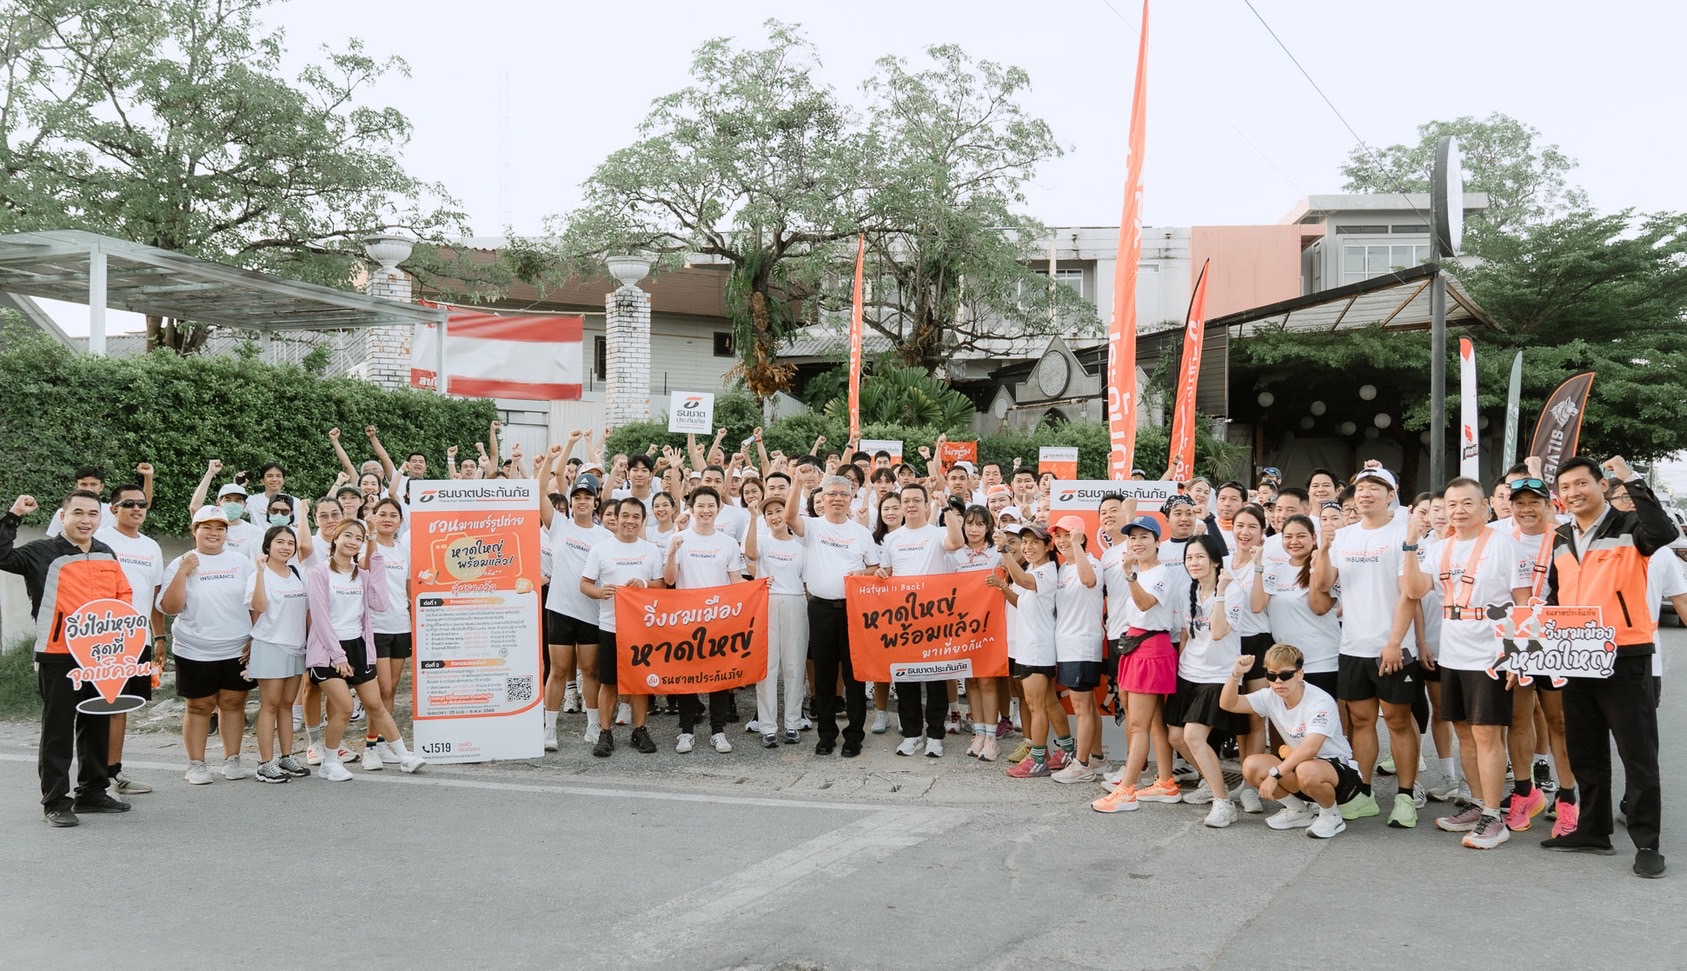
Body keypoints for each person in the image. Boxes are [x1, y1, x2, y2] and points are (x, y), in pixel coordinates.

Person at [1542, 456, 1673, 878]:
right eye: (1565, 487)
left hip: (1626, 654)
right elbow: (1554, 596)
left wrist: (1631, 479)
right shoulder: (1561, 535)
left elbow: (1663, 531)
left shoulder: (1629, 526)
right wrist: (1535, 642)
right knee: (1586, 750)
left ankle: (1647, 842)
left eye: (1582, 483)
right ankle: (1593, 830)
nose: (1573, 492)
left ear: (1601, 485)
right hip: (1576, 655)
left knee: (1638, 754)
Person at [1400, 478, 1532, 848]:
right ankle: (1477, 803)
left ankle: (1494, 816)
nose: (1458, 510)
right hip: (1453, 652)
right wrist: (1411, 542)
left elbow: (1524, 603)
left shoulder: (1505, 545)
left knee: (1488, 734)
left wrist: (1519, 658)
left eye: (1467, 503)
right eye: (1452, 504)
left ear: (1485, 507)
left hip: (1490, 654)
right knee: (1464, 733)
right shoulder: (1440, 548)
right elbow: (1413, 589)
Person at [0, 490, 134, 826]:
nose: (85, 520)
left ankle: (92, 791)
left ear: (100, 518)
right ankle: (56, 801)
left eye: (92, 513)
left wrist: (125, 643)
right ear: (63, 516)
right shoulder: (40, 552)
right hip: (57, 654)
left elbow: (122, 595)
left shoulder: (106, 552)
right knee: (58, 727)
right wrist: (13, 516)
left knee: (97, 721)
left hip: (100, 656)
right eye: (78, 513)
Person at [1314, 466, 1420, 826]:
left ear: (1391, 495)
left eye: (1376, 487)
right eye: (1361, 487)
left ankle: (1406, 796)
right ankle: (1364, 792)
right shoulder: (1345, 537)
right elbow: (1326, 585)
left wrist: (1394, 643)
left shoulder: (1402, 533)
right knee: (1360, 721)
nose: (1366, 493)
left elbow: (1409, 594)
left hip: (1392, 648)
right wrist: (1325, 548)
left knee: (1397, 720)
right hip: (1353, 645)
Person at [302, 518, 425, 779]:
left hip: (359, 646)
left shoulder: (363, 575)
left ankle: (404, 756)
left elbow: (380, 603)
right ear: (335, 538)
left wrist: (374, 552)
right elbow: (321, 618)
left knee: (375, 704)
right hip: (327, 650)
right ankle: (330, 762)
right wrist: (338, 655)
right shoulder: (320, 572)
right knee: (345, 707)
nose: (352, 541)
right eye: (348, 535)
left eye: (358, 538)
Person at [1219, 644, 1359, 839]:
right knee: (1251, 765)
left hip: (1340, 774)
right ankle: (1298, 811)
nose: (1278, 682)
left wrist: (1275, 775)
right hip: (1300, 768)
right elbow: (1228, 703)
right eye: (1271, 676)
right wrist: (1236, 674)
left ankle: (1331, 815)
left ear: (1300, 674)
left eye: (1285, 675)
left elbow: (1310, 749)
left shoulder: (1320, 701)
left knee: (1306, 769)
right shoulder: (1270, 696)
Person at [160, 505, 258, 783]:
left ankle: (233, 758)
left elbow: (255, 603)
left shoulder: (241, 562)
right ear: (194, 531)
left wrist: (256, 636)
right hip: (195, 649)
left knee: (233, 702)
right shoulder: (181, 562)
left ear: (227, 533)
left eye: (220, 528)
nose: (214, 533)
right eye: (207, 527)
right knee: (199, 706)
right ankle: (196, 764)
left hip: (237, 648)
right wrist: (183, 572)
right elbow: (170, 606)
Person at [787, 476, 882, 757]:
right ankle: (826, 734)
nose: (838, 498)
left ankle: (854, 735)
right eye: (832, 494)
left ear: (851, 498)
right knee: (825, 677)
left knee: (854, 677)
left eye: (843, 494)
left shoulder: (861, 532)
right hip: (820, 609)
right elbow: (791, 516)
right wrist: (795, 482)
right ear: (823, 498)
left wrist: (861, 574)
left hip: (854, 611)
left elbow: (875, 568)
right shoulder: (813, 527)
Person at [1092, 516, 1180, 813]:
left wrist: (1129, 576)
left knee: (1138, 724)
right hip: (1135, 646)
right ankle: (1166, 782)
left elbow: (1144, 605)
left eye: (1145, 537)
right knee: (1153, 722)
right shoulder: (1142, 571)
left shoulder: (1159, 574)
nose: (1138, 542)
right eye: (1133, 537)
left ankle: (1126, 790)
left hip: (1151, 649)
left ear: (1158, 542)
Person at [1166, 533, 1246, 827]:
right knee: (1176, 737)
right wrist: (1179, 666)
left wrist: (1222, 592)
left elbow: (1217, 632)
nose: (1194, 563)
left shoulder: (1233, 591)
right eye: (1189, 558)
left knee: (1193, 736)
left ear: (1214, 561)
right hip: (1189, 674)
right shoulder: (1188, 591)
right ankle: (1212, 782)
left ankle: (1222, 802)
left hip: (1217, 677)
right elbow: (1187, 633)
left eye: (1200, 557)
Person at [94, 480, 166, 796]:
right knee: (96, 706)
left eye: (142, 504)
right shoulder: (97, 539)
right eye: (129, 504)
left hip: (137, 638)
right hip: (100, 636)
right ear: (113, 509)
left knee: (120, 706)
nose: (137, 509)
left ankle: (113, 772)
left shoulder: (151, 546)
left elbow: (153, 598)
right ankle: (92, 778)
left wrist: (159, 637)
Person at [663, 486, 746, 754]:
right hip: (687, 620)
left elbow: (736, 582)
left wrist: (756, 590)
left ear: (718, 509)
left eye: (711, 505)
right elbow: (669, 580)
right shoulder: (679, 538)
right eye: (701, 505)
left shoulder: (728, 543)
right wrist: (672, 552)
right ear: (691, 508)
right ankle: (686, 731)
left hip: (719, 620)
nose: (706, 510)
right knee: (687, 677)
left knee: (718, 677)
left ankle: (718, 731)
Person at [580, 496, 664, 757]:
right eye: (625, 516)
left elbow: (661, 586)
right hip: (610, 626)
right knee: (609, 682)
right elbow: (584, 584)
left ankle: (639, 730)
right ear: (615, 518)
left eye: (636, 517)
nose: (630, 521)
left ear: (642, 520)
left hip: (641, 628)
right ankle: (605, 733)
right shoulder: (601, 549)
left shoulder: (651, 551)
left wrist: (645, 585)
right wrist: (599, 592)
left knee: (639, 683)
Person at [540, 443, 609, 751]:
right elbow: (539, 489)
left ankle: (594, 726)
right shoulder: (559, 526)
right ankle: (549, 730)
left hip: (593, 612)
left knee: (591, 672)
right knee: (557, 672)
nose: (582, 502)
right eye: (577, 497)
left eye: (587, 498)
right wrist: (559, 454)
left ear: (596, 503)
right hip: (560, 610)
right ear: (570, 501)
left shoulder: (607, 537)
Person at [879, 482, 955, 758]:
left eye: (915, 500)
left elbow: (956, 543)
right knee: (905, 679)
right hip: (902, 620)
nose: (910, 505)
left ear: (925, 505)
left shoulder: (939, 533)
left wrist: (946, 506)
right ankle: (912, 734)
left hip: (934, 618)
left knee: (935, 680)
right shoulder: (892, 539)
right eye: (905, 501)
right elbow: (886, 572)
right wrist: (881, 576)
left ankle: (935, 735)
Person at [245, 526, 312, 783]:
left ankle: (286, 756)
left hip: (296, 647)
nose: (285, 547)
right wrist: (261, 572)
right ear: (268, 546)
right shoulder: (258, 575)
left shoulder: (295, 573)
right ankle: (264, 763)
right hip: (270, 645)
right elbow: (259, 607)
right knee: (270, 705)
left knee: (286, 705)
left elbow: (306, 610)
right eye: (279, 542)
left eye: (290, 543)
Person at [999, 524, 1067, 778]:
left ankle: (1038, 758)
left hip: (1038, 647)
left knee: (1037, 705)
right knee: (1048, 703)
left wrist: (1004, 550)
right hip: (1030, 647)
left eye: (1034, 542)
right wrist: (1003, 588)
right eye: (1024, 542)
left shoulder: (1046, 572)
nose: (1028, 547)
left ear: (1048, 546)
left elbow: (1022, 580)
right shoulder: (1035, 569)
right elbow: (1021, 602)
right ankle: (1067, 750)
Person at [744, 497, 808, 748]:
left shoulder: (801, 546)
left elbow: (806, 580)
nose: (774, 516)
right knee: (767, 667)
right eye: (769, 513)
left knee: (794, 666)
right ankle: (768, 727)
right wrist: (752, 518)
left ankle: (792, 723)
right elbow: (750, 554)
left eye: (778, 511)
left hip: (795, 601)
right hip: (767, 603)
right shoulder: (762, 541)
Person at [1252, 515, 1339, 696]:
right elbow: (1257, 605)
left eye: (1301, 536)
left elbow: (1320, 608)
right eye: (1288, 536)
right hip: (1286, 665)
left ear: (1314, 538)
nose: (1294, 542)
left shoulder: (1326, 567)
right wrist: (1258, 566)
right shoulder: (1275, 569)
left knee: (1325, 719)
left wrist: (1315, 566)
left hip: (1321, 662)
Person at [1048, 516, 1105, 784]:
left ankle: (1081, 764)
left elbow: (1089, 580)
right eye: (1058, 535)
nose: (1062, 540)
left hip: (1082, 645)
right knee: (1089, 706)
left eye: (1068, 534)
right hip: (1067, 646)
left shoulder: (1090, 562)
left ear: (1081, 536)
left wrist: (1077, 546)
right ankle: (1096, 757)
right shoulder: (1062, 569)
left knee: (1082, 707)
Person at [365, 498, 412, 766]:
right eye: (382, 514)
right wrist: (370, 535)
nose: (387, 519)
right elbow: (367, 566)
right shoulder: (368, 544)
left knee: (391, 689)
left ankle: (381, 743)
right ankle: (370, 747)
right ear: (374, 517)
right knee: (381, 689)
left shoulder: (402, 550)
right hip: (377, 626)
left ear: (400, 521)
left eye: (393, 515)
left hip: (400, 625)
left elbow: (407, 588)